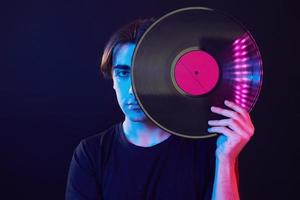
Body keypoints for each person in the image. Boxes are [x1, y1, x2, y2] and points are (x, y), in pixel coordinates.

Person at [65, 18, 255, 200]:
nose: (133, 89)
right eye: (123, 73)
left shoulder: (209, 150)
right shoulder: (91, 154)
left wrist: (226, 160)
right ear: (112, 79)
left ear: (166, 76)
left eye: (144, 72)